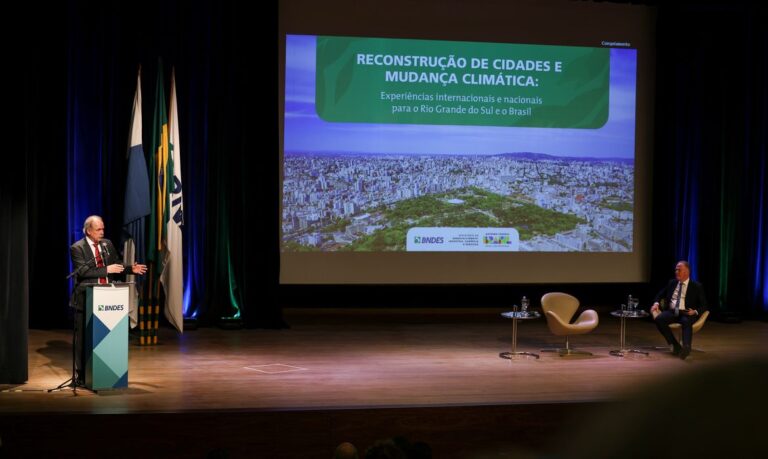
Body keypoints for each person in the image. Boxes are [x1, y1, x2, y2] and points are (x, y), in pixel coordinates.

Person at [69, 215, 147, 384]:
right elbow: (83, 272)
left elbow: (116, 265)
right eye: (99, 229)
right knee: (83, 340)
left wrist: (130, 268)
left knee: (104, 338)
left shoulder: (107, 244)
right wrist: (107, 269)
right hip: (85, 299)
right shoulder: (77, 248)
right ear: (88, 231)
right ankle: (81, 375)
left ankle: (105, 372)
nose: (102, 232)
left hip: (107, 297)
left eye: (103, 228)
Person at [650, 260, 707, 360]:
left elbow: (704, 305)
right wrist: (656, 303)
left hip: (686, 313)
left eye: (679, 270)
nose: (676, 272)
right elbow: (660, 294)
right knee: (659, 319)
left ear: (686, 272)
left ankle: (686, 348)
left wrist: (695, 312)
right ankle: (675, 345)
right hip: (672, 312)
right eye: (676, 269)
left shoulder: (696, 286)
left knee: (686, 322)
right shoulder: (672, 283)